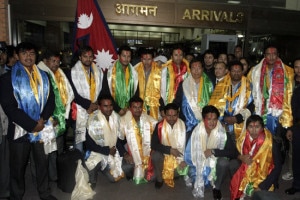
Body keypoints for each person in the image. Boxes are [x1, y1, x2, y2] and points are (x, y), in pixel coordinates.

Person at [0, 42, 56, 200]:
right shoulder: (7, 78)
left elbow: (51, 100)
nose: (28, 57)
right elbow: (9, 107)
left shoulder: (44, 76)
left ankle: (44, 193)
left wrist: (42, 120)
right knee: (17, 168)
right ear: (17, 56)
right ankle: (16, 196)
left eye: (32, 53)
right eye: (24, 53)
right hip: (20, 130)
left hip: (41, 128)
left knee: (42, 164)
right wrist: (32, 125)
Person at [184, 105, 238, 199]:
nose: (212, 122)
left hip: (215, 162)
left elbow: (233, 152)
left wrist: (213, 151)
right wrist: (185, 161)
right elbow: (189, 152)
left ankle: (217, 188)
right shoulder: (196, 131)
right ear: (203, 119)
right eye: (209, 119)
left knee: (223, 163)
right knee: (196, 176)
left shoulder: (222, 132)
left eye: (214, 119)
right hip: (199, 162)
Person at [37, 49, 74, 181]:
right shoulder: (40, 74)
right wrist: (50, 118)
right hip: (47, 120)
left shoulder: (59, 73)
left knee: (56, 149)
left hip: (59, 118)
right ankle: (45, 178)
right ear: (45, 61)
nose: (56, 64)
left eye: (58, 61)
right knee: (45, 151)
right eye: (53, 61)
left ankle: (55, 175)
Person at [230, 115, 282, 200]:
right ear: (246, 128)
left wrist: (262, 186)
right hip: (246, 173)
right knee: (233, 164)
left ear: (262, 128)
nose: (254, 131)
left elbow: (278, 167)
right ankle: (243, 190)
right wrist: (241, 157)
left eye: (257, 127)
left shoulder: (271, 143)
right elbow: (232, 152)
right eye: (250, 127)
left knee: (262, 196)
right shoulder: (242, 139)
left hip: (264, 178)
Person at [67, 45, 102, 152]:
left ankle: (91, 164)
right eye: (85, 56)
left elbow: (102, 90)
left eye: (90, 56)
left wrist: (95, 104)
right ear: (80, 57)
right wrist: (88, 105)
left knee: (94, 137)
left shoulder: (98, 72)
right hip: (79, 111)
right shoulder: (71, 73)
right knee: (79, 141)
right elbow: (72, 93)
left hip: (95, 109)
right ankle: (79, 165)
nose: (88, 59)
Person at [85, 95, 125, 188]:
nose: (109, 109)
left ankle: (105, 168)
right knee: (92, 165)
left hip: (112, 151)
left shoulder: (115, 117)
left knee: (114, 178)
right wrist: (107, 151)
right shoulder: (93, 121)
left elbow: (117, 139)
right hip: (97, 152)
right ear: (99, 107)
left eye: (110, 105)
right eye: (105, 106)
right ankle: (94, 174)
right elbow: (89, 145)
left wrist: (124, 153)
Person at [209, 61, 254, 141]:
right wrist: (222, 119)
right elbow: (215, 105)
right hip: (223, 124)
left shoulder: (249, 86)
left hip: (241, 123)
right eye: (233, 71)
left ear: (242, 71)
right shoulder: (221, 85)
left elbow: (252, 105)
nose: (236, 73)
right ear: (229, 72)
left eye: (238, 71)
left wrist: (238, 118)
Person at [119, 96, 157, 184]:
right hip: (130, 151)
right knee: (125, 168)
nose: (137, 110)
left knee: (152, 178)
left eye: (139, 107)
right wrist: (125, 154)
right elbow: (118, 141)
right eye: (134, 107)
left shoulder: (148, 120)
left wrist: (154, 148)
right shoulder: (123, 121)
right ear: (129, 108)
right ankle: (132, 172)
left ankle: (142, 168)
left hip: (146, 152)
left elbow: (158, 133)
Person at [173, 58, 213, 133]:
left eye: (198, 68)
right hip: (186, 121)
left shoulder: (209, 84)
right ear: (190, 69)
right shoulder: (184, 84)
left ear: (202, 69)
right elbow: (177, 101)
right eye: (193, 68)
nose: (196, 71)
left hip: (205, 122)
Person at [151, 103, 187, 189]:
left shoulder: (184, 125)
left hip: (180, 157)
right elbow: (153, 144)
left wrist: (184, 159)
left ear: (178, 114)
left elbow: (189, 145)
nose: (171, 119)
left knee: (191, 167)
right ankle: (160, 179)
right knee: (155, 156)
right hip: (165, 156)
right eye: (169, 115)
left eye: (174, 115)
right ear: (164, 114)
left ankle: (175, 172)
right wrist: (169, 150)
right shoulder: (159, 126)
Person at [102, 45, 139, 116]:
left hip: (129, 110)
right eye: (124, 56)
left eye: (128, 56)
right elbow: (105, 93)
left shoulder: (134, 74)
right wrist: (118, 109)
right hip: (112, 110)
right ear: (118, 56)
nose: (126, 59)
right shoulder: (109, 73)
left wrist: (129, 107)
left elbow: (136, 93)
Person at [134, 48, 163, 120]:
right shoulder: (135, 70)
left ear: (153, 59)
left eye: (149, 59)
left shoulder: (160, 70)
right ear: (141, 59)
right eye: (144, 59)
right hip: (139, 104)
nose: (146, 62)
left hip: (155, 104)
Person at [160, 46, 189, 113]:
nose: (178, 57)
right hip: (167, 103)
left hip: (184, 104)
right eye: (176, 55)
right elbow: (159, 89)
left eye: (180, 55)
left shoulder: (188, 70)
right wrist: (161, 107)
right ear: (171, 57)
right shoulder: (164, 70)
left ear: (183, 56)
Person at [285, 72, 300, 195]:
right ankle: (296, 184)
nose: (299, 69)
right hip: (297, 126)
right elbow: (291, 110)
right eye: (296, 67)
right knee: (296, 157)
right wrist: (290, 128)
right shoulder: (293, 86)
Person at [0, 41, 9, 199]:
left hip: (5, 125)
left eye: (3, 53)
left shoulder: (6, 74)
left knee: (5, 163)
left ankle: (5, 193)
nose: (1, 56)